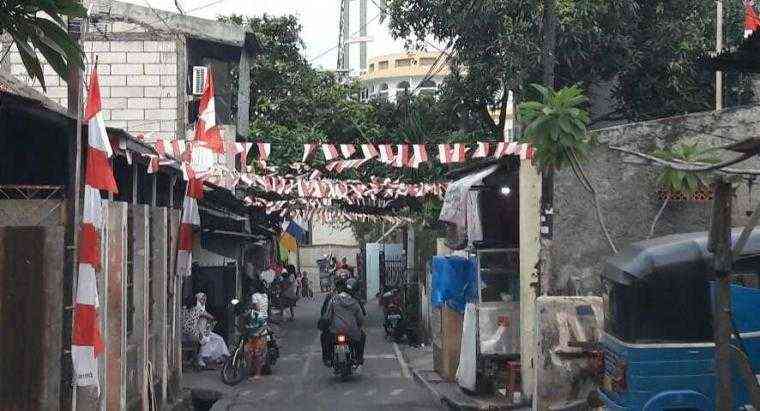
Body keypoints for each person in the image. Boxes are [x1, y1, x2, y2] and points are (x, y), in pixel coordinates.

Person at [320, 278, 366, 372]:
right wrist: (358, 326)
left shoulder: (333, 299)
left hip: (335, 332)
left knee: (324, 336)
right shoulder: (355, 303)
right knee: (362, 336)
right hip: (352, 334)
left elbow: (327, 316)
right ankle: (358, 357)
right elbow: (360, 319)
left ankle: (327, 358)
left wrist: (326, 324)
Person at [185, 292, 230, 368]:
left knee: (219, 339)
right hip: (198, 333)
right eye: (202, 299)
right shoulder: (197, 309)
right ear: (198, 300)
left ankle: (215, 359)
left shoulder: (201, 309)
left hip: (204, 332)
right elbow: (210, 317)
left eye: (205, 299)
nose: (204, 301)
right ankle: (203, 359)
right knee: (207, 341)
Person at [244, 281, 269, 381]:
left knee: (256, 351)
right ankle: (254, 370)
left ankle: (257, 373)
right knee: (253, 351)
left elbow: (256, 308)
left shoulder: (255, 296)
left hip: (259, 325)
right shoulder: (265, 296)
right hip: (263, 321)